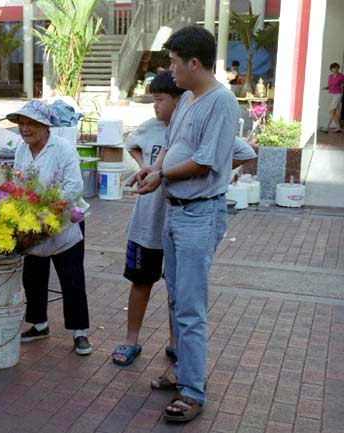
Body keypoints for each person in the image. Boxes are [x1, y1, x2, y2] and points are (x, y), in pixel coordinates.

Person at [131, 25, 239, 423]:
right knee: (177, 298)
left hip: (199, 213)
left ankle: (193, 390)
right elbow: (171, 149)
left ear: (194, 63)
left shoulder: (221, 103)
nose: (171, 71)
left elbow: (206, 161)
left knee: (191, 307)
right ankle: (182, 373)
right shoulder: (190, 99)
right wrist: (151, 170)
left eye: (175, 63)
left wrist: (163, 176)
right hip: (176, 211)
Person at [112, 71, 256, 368]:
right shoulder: (153, 128)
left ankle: (177, 344)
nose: (155, 106)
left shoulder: (203, 119)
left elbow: (239, 153)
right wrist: (148, 167)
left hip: (185, 219)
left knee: (178, 290)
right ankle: (131, 339)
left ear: (181, 101)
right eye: (153, 100)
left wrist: (209, 175)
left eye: (160, 100)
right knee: (141, 281)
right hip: (147, 225)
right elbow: (132, 144)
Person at [6, 100, 92, 355]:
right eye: (22, 123)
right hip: (33, 224)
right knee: (33, 276)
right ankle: (39, 324)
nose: (25, 128)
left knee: (72, 278)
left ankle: (79, 332)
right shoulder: (21, 150)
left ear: (45, 127)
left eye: (31, 123)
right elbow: (18, 182)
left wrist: (50, 211)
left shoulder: (63, 148)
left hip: (64, 220)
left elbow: (74, 186)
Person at [321, 62, 344, 133]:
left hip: (337, 94)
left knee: (332, 111)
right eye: (334, 68)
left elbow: (342, 85)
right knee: (332, 112)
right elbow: (329, 86)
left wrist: (342, 88)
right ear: (331, 69)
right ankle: (338, 128)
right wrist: (324, 88)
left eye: (337, 68)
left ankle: (326, 128)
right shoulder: (330, 76)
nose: (336, 69)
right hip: (331, 94)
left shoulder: (341, 76)